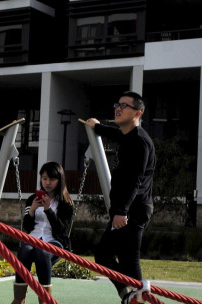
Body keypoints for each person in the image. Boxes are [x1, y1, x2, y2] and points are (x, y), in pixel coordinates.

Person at [85, 91, 156, 304]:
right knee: (117, 257)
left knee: (116, 256)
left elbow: (135, 180)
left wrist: (121, 211)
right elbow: (116, 134)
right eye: (118, 104)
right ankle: (130, 295)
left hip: (133, 210)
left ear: (138, 113)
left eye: (125, 106)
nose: (118, 108)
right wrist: (97, 127)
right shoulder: (128, 136)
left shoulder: (140, 141)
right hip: (126, 209)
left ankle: (134, 295)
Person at [11, 161, 74, 304]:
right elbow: (27, 226)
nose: (47, 182)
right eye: (44, 178)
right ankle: (19, 298)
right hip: (33, 238)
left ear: (59, 180)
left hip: (54, 241)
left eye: (52, 179)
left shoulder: (66, 204)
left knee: (43, 251)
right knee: (24, 250)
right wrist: (32, 209)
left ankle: (44, 300)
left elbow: (62, 229)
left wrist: (48, 210)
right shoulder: (32, 199)